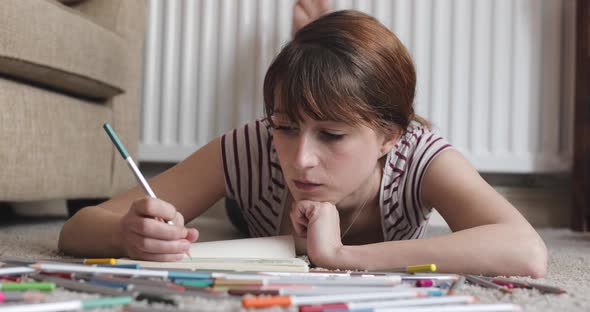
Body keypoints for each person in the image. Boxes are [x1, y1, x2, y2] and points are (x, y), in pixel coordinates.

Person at [59, 2, 547, 277]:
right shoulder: (252, 146)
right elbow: (77, 228)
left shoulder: (419, 153)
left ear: (387, 136)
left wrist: (339, 256)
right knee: (241, 209)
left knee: (312, 97)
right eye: (285, 127)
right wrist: (128, 232)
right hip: (253, 206)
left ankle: (311, 38)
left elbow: (526, 251)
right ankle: (308, 50)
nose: (301, 160)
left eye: (332, 134)